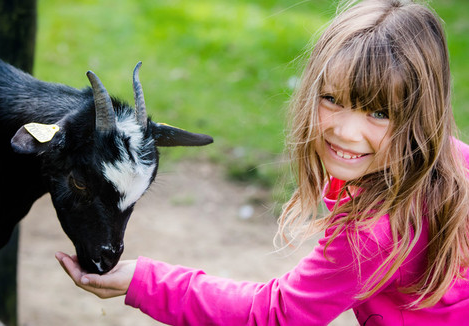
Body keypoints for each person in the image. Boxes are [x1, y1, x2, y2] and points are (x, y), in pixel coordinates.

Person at [56, 0, 469, 324]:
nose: (346, 131)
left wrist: (145, 282)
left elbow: (275, 315)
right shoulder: (455, 160)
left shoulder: (372, 235)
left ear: (421, 117)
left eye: (379, 113)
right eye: (332, 99)